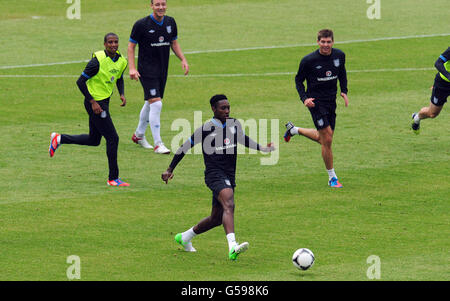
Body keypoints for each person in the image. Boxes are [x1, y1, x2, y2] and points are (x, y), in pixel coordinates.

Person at [161, 94, 275, 260]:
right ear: (213, 109)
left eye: (228, 107)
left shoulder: (234, 123)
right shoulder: (206, 129)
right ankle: (233, 246)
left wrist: (262, 148)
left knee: (216, 218)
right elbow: (185, 146)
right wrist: (170, 169)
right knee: (229, 202)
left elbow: (242, 139)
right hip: (214, 175)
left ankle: (185, 237)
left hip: (229, 175)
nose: (227, 111)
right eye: (223, 108)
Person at [48, 33, 130, 187]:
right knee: (113, 138)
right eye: (110, 42)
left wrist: (122, 94)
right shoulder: (96, 61)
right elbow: (80, 81)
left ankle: (59, 139)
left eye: (116, 42)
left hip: (104, 101)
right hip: (95, 104)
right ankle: (113, 178)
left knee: (94, 140)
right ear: (104, 44)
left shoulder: (121, 61)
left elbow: (119, 77)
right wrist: (93, 102)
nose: (113, 45)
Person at [284, 29, 349, 188]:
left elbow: (342, 73)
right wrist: (305, 99)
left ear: (333, 42)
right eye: (323, 42)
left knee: (324, 138)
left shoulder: (339, 56)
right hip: (315, 102)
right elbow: (299, 80)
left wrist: (344, 91)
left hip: (331, 102)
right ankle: (332, 177)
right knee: (327, 139)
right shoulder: (308, 60)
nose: (326, 45)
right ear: (318, 42)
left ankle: (294, 130)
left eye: (328, 42)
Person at [128, 0, 189, 154]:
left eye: (163, 4)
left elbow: (173, 42)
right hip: (146, 70)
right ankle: (158, 144)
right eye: (157, 4)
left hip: (162, 69)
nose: (161, 7)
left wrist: (183, 59)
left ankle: (138, 135)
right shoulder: (141, 24)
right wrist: (132, 68)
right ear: (151, 6)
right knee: (157, 104)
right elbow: (131, 46)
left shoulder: (170, 22)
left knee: (151, 103)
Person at [411, 47, 450, 134]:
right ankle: (417, 118)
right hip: (443, 84)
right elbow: (438, 63)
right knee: (432, 113)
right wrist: (449, 76)